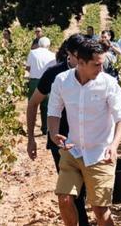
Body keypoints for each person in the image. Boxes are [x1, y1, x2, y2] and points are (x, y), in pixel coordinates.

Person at [47, 38, 121, 226]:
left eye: (102, 64)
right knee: (64, 199)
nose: (101, 69)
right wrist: (53, 133)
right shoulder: (62, 81)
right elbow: (53, 111)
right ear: (80, 62)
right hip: (73, 151)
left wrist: (114, 146)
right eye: (96, 65)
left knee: (101, 210)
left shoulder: (108, 83)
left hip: (100, 154)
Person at [26, 34, 91, 226]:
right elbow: (33, 104)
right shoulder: (54, 74)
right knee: (72, 193)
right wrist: (31, 138)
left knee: (86, 190)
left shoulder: (95, 72)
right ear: (69, 54)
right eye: (80, 55)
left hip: (90, 140)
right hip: (60, 141)